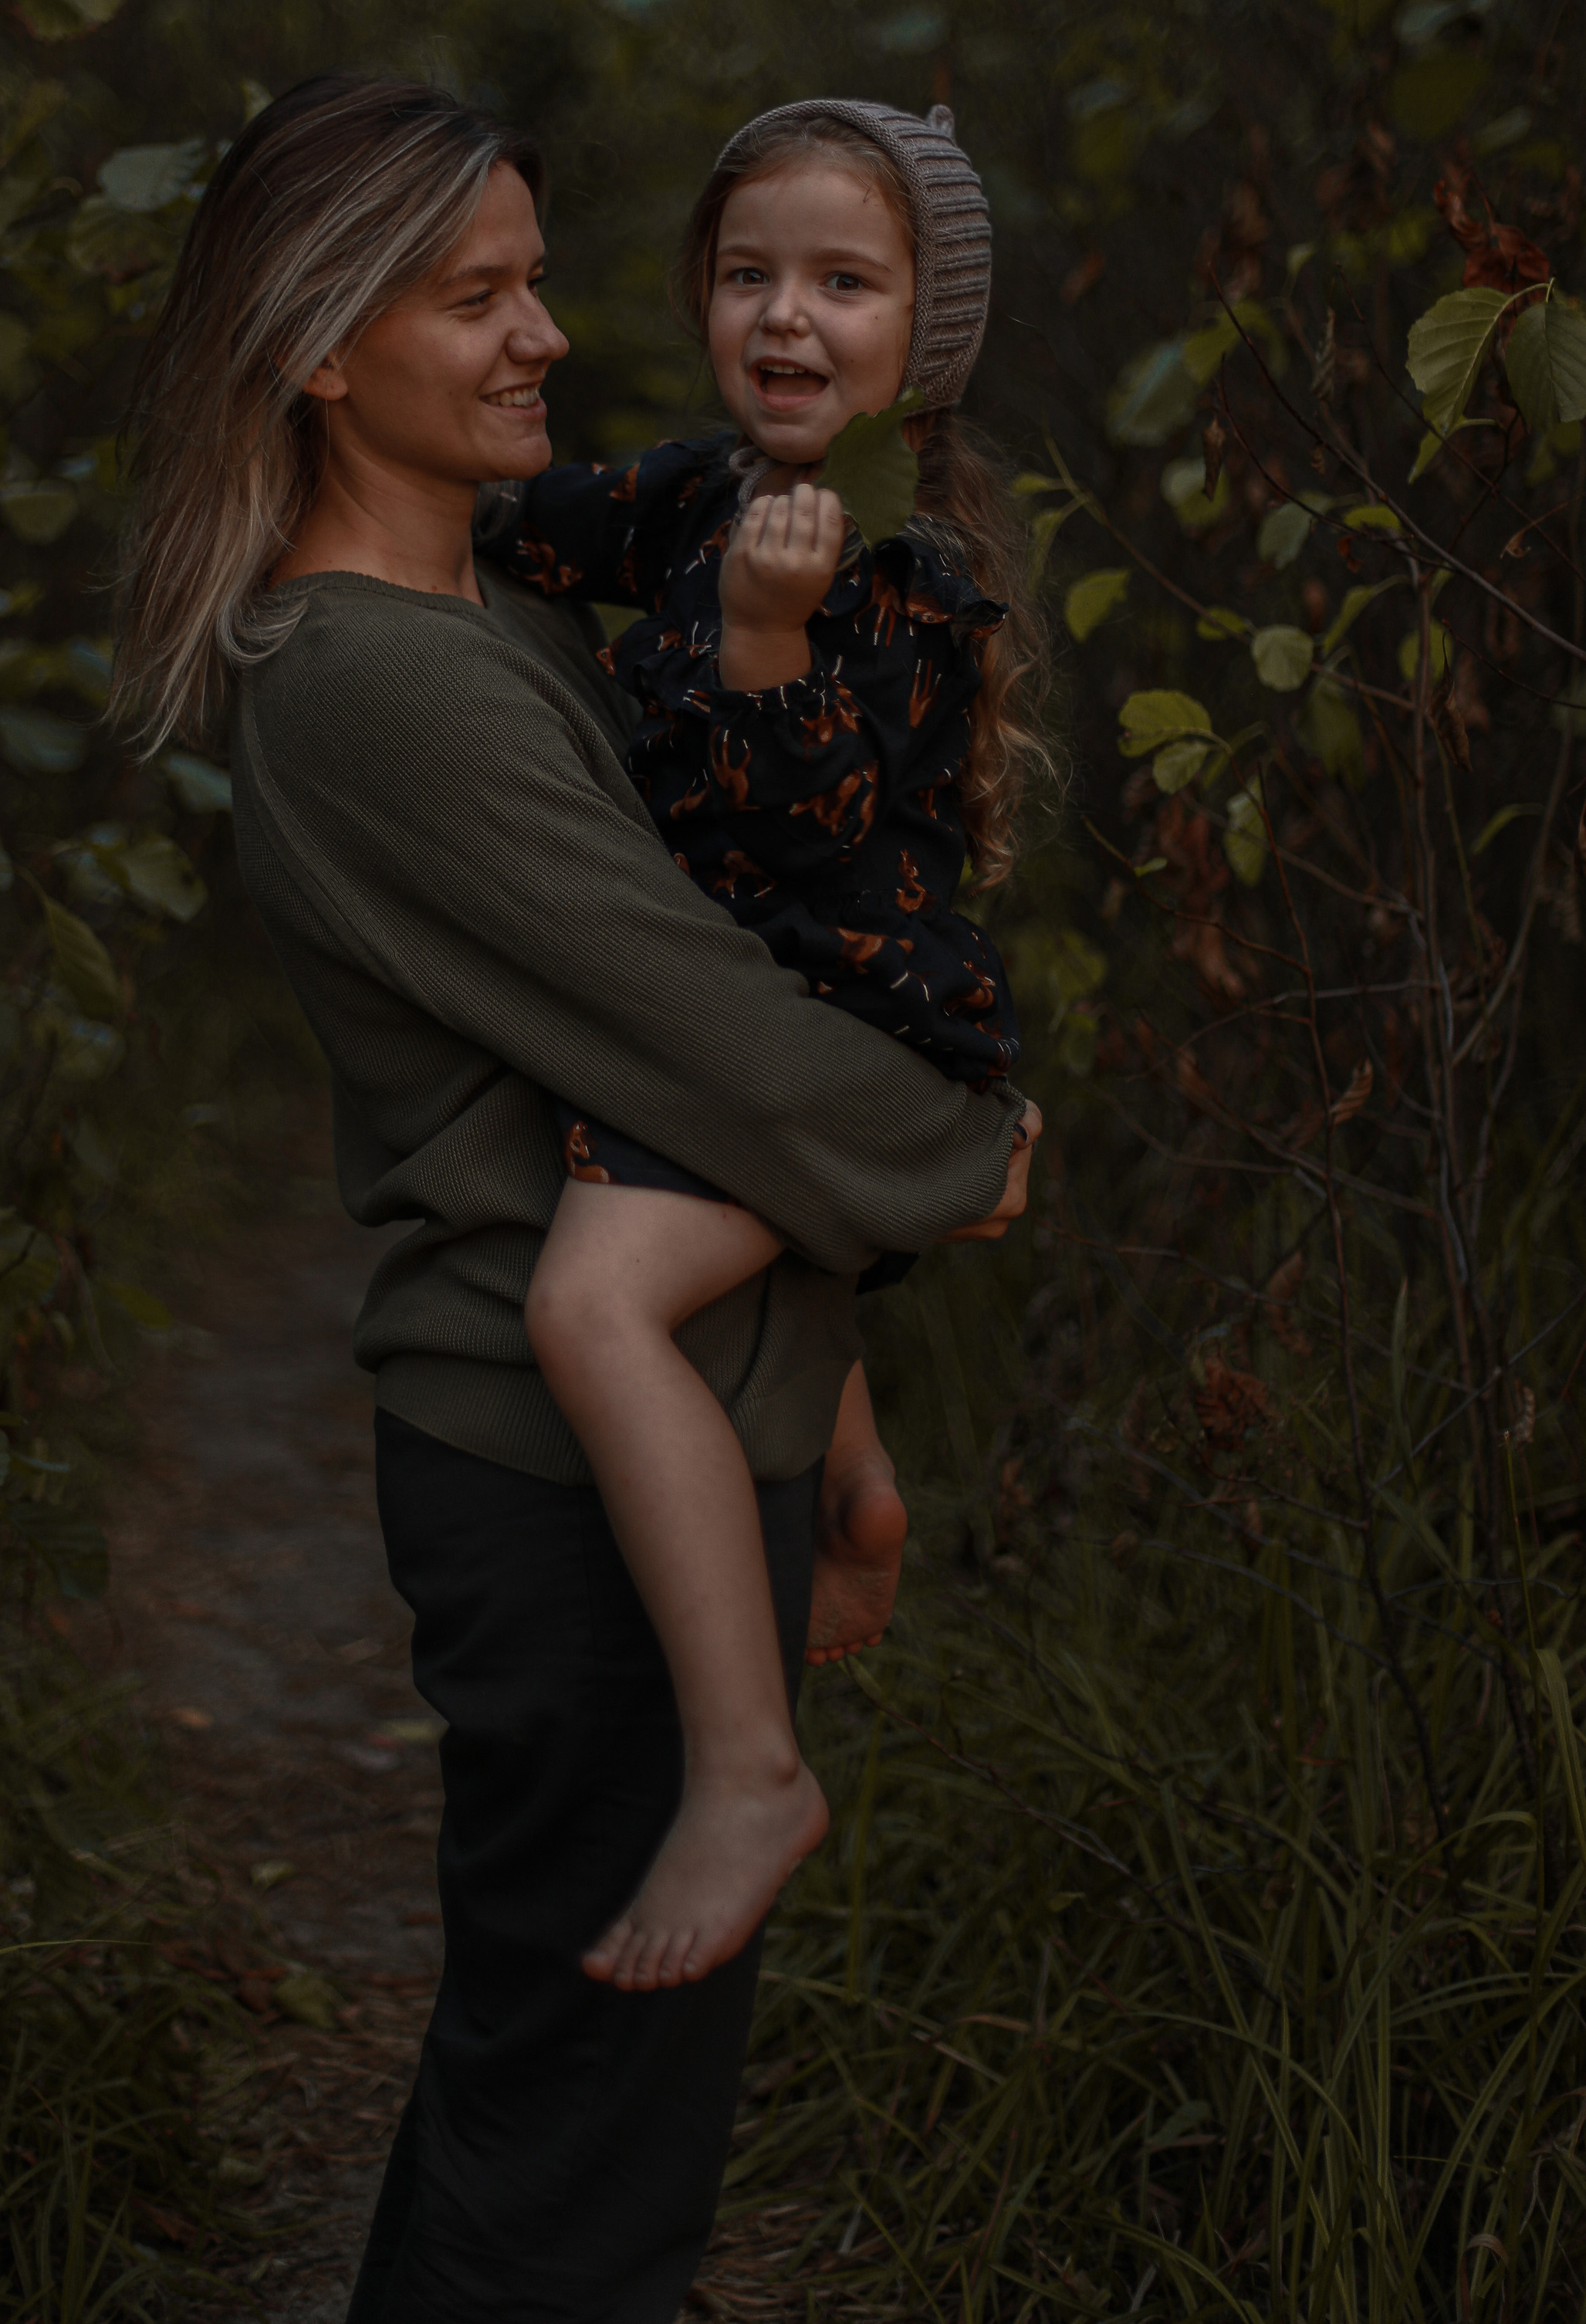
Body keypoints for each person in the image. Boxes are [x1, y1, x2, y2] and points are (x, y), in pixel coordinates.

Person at [111, 74, 1040, 2324]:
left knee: (575, 2120)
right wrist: (968, 1142)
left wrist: (837, 1434)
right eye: (476, 297)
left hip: (678, 1441)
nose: (543, 335)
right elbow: (702, 1033)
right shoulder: (371, 685)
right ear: (325, 350)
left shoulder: (510, 624)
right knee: (580, 2173)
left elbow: (699, 1009)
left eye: (537, 281)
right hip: (557, 1491)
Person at [502, 98, 1047, 1997]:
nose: (787, 319)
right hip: (726, 1027)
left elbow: (813, 835)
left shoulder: (908, 573)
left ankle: (747, 1770)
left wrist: (757, 637)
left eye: (844, 281)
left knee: (588, 1309)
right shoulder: (690, 487)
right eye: (749, 275)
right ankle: (855, 1474)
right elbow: (511, 531)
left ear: (927, 336)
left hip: (845, 1032)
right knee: (686, 1255)